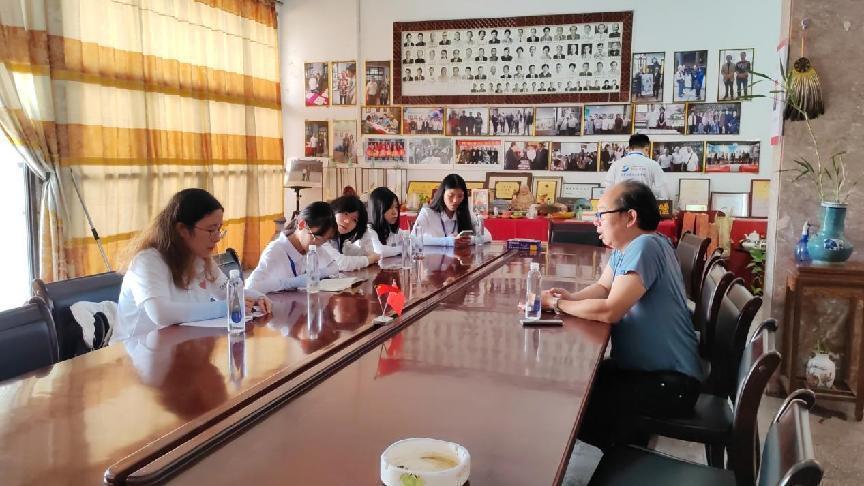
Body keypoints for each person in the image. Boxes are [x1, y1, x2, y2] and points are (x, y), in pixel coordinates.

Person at [539, 181, 702, 451]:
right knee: (576, 384)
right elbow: (603, 288)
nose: (596, 222)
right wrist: (570, 298)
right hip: (650, 373)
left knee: (573, 409)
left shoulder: (646, 246)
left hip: (672, 383)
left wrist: (558, 304)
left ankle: (630, 456)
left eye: (602, 214)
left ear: (630, 217)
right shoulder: (629, 247)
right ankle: (628, 445)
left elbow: (611, 310)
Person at [115, 189, 271, 342]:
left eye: (219, 229)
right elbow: (161, 314)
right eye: (211, 230)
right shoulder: (148, 261)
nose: (217, 238)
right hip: (133, 350)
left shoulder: (200, 259)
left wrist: (258, 297)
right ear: (182, 229)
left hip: (179, 345)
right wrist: (227, 308)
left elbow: (229, 293)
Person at [245, 201, 339, 295]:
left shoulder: (314, 246)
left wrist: (316, 274)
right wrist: (292, 282)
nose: (319, 244)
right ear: (301, 225)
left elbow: (334, 267)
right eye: (317, 238)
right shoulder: (275, 250)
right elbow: (250, 287)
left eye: (324, 240)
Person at [414, 174, 492, 247]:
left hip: (460, 256)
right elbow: (414, 238)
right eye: (451, 196)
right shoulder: (427, 213)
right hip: (434, 257)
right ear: (442, 194)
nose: (455, 200)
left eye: (460, 196)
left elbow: (488, 236)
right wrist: (448, 241)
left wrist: (469, 240)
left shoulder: (466, 213)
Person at [603, 134, 670, 199]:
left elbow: (608, 189)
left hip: (621, 204)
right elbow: (663, 190)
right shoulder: (653, 164)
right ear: (647, 149)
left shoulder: (616, 164)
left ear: (629, 148)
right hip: (644, 204)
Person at [324, 195, 380, 271]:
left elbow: (365, 254)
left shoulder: (339, 240)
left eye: (354, 220)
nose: (347, 221)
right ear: (334, 210)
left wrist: (363, 229)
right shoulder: (320, 236)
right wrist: (369, 260)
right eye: (345, 213)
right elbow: (340, 263)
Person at [367, 187, 402, 257]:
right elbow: (380, 251)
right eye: (390, 207)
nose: (395, 212)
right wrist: (402, 248)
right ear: (378, 209)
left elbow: (410, 241)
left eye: (396, 207)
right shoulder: (368, 230)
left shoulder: (390, 229)